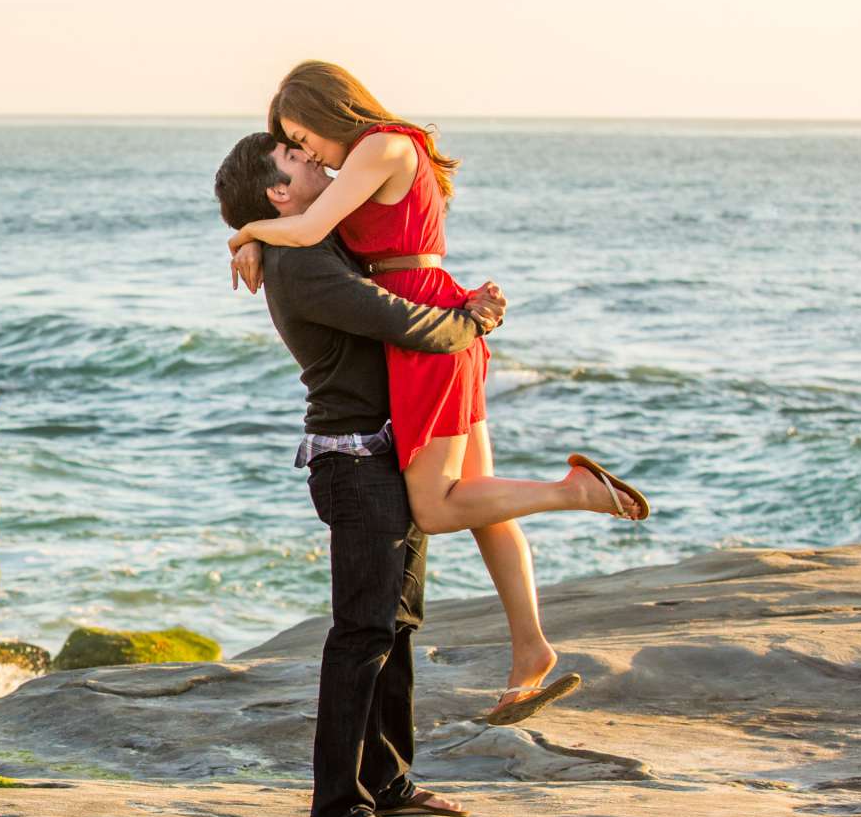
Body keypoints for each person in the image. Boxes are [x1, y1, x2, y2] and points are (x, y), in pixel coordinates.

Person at [226, 62, 648, 725]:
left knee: (438, 503)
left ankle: (575, 491)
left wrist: (248, 233)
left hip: (425, 330)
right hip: (433, 315)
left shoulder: (380, 146)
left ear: (333, 110)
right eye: (294, 145)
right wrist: (257, 235)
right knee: (480, 501)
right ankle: (531, 646)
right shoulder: (383, 153)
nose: (307, 152)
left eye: (302, 135)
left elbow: (305, 231)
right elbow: (317, 231)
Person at [215, 129, 507, 817]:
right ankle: (337, 809)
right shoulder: (305, 264)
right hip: (353, 462)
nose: (314, 159)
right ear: (281, 194)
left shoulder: (317, 240)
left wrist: (246, 236)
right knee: (361, 631)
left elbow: (390, 243)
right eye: (295, 159)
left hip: (386, 451)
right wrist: (472, 319)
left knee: (398, 623)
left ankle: (391, 780)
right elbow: (401, 323)